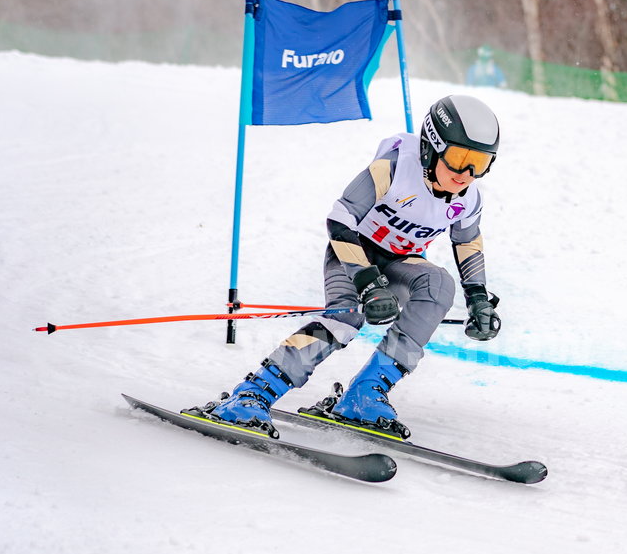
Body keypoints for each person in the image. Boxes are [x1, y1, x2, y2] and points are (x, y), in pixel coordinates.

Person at [197, 94, 503, 439]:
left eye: (479, 162)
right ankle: (252, 394)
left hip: (401, 260)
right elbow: (341, 219)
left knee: (439, 286)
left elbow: (467, 242)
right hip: (353, 252)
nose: (467, 174)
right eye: (460, 158)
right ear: (432, 147)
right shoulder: (395, 167)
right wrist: (368, 282)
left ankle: (365, 394)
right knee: (345, 317)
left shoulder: (468, 198)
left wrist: (478, 298)